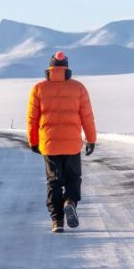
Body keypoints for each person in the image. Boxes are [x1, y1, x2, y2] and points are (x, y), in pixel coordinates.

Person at [27, 51, 97, 233]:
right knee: (73, 177)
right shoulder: (78, 88)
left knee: (54, 181)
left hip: (49, 144)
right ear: (67, 68)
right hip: (72, 144)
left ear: (50, 68)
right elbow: (87, 116)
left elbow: (32, 119)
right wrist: (91, 140)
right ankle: (70, 201)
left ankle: (57, 221)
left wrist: (33, 141)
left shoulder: (39, 88)